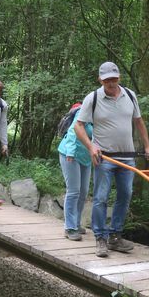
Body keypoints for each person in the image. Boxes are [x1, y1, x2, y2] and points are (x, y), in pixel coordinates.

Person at [75, 62, 149, 258]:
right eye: (107, 79)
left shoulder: (130, 95)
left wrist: (147, 145)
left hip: (128, 157)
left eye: (114, 78)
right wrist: (91, 147)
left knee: (125, 195)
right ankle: (100, 237)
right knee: (101, 197)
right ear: (100, 79)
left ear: (119, 77)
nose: (111, 82)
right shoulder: (92, 98)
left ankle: (115, 236)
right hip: (105, 158)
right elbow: (78, 126)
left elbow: (138, 121)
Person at [58, 102, 92, 241]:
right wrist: (71, 152)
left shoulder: (102, 116)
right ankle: (70, 228)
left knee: (83, 191)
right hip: (69, 154)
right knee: (73, 191)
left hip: (86, 156)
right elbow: (73, 130)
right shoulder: (84, 112)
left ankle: (76, 224)